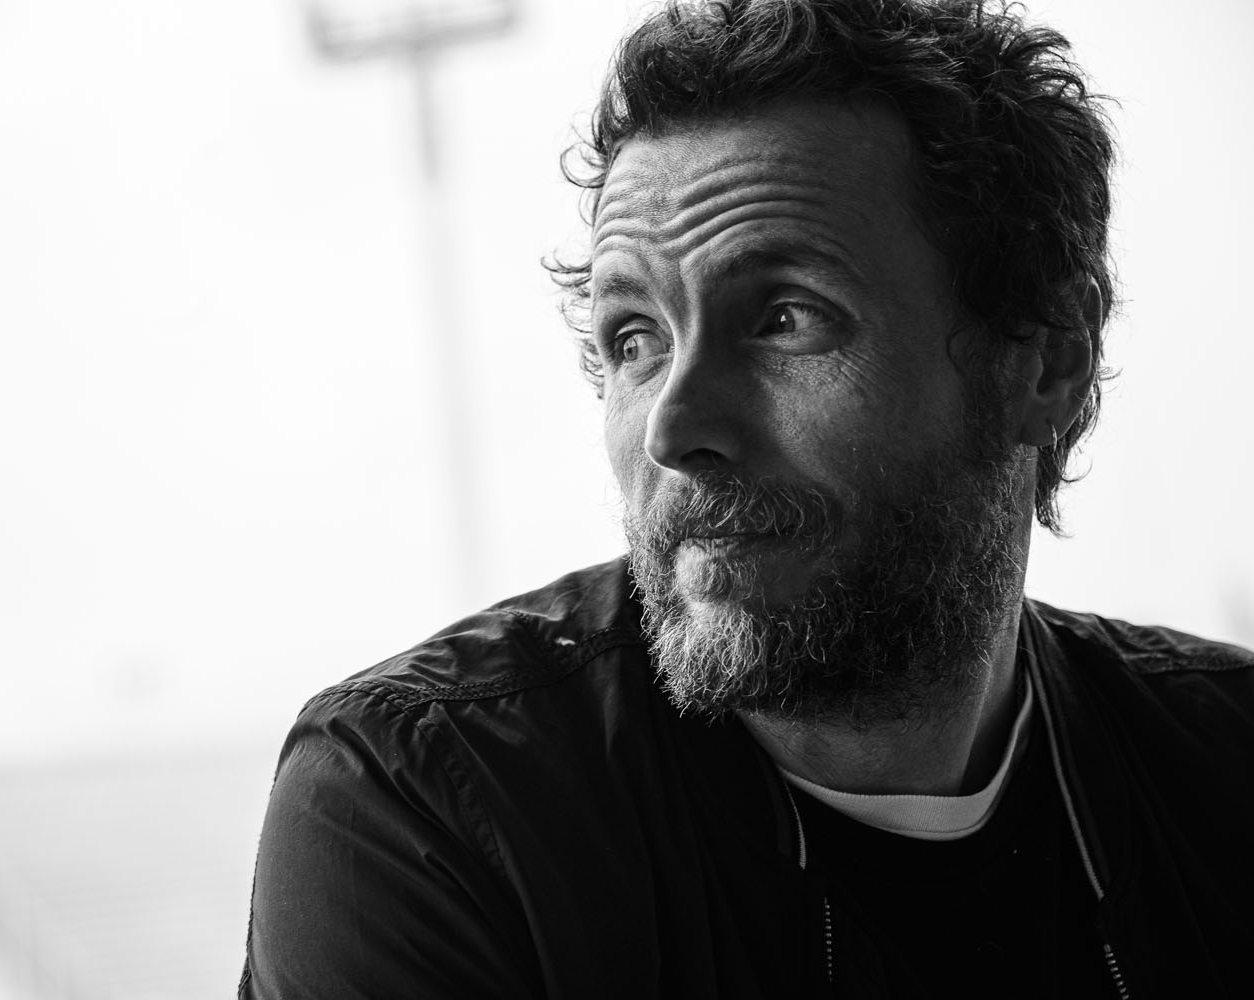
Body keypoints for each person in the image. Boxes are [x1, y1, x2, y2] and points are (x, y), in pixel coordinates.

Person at [239, 0, 1254, 996]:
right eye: (634, 338)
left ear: (1045, 362)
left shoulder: (1226, 765)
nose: (671, 427)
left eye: (783, 318)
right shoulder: (433, 804)